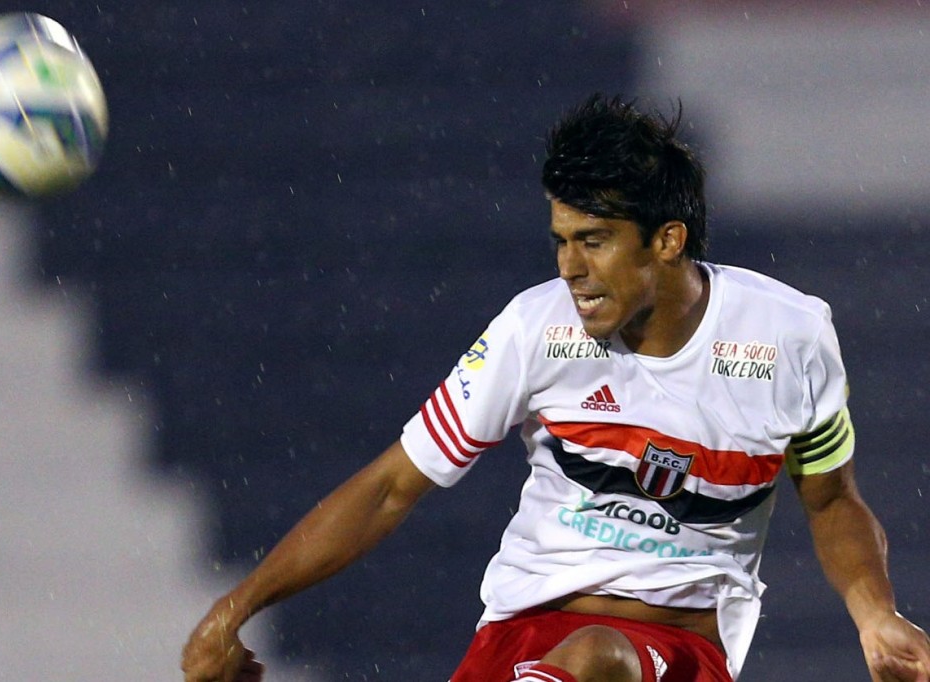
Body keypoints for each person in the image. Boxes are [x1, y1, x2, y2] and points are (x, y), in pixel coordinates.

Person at [181, 93, 930, 682]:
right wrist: (235, 608)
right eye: (561, 241)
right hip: (518, 638)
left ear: (667, 240)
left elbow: (831, 500)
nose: (570, 268)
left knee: (599, 655)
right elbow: (389, 487)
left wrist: (874, 614)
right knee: (584, 655)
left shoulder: (790, 336)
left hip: (676, 650)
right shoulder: (534, 327)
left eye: (593, 242)